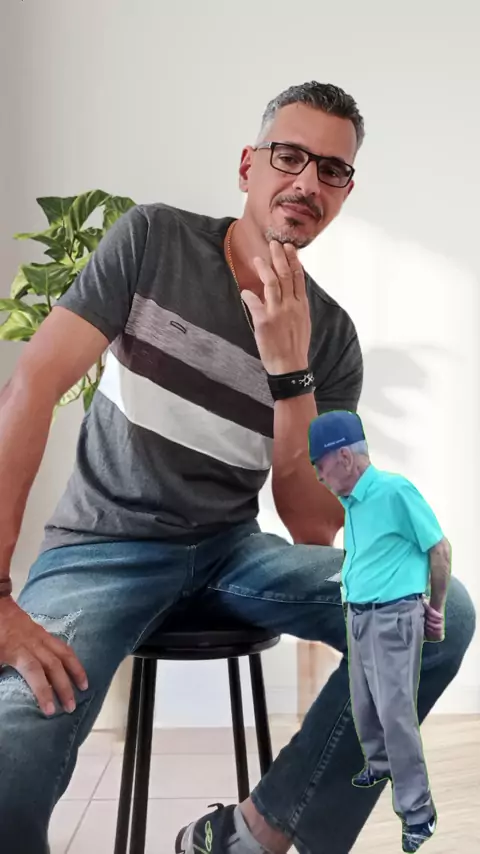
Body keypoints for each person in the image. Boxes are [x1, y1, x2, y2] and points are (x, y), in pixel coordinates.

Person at [0, 81, 475, 854]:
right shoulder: (153, 239)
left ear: (345, 193)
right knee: (11, 753)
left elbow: (313, 525)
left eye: (332, 170)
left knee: (435, 609)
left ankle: (251, 834)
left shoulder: (331, 336)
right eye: (290, 156)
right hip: (101, 551)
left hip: (229, 554)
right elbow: (30, 386)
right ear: (249, 166)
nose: (308, 181)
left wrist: (291, 372)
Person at [308, 410, 450, 852]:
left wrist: (437, 608)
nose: (318, 476)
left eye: (319, 465)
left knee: (396, 715)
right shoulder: (352, 504)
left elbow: (439, 549)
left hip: (393, 620)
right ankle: (381, 763)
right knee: (365, 703)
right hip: (360, 616)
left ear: (344, 457)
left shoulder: (394, 491)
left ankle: (418, 813)